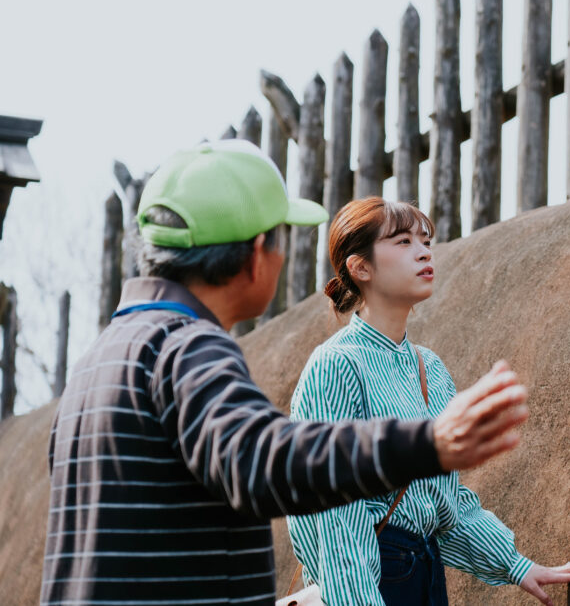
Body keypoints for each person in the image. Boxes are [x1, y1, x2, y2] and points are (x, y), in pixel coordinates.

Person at [41, 140, 529, 606]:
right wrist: (426, 444)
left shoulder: (100, 361)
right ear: (257, 254)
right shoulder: (187, 348)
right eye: (283, 238)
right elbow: (262, 458)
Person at [286, 197, 570, 606]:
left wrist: (516, 565)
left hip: (427, 572)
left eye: (425, 240)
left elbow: (446, 501)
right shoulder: (336, 364)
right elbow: (338, 515)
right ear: (361, 268)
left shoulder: (428, 367)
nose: (424, 251)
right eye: (403, 241)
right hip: (373, 578)